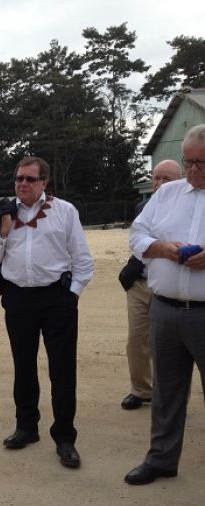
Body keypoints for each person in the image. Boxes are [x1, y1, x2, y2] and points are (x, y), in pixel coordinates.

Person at [0, 156, 93, 469]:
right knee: (23, 366)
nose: (23, 184)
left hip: (57, 299)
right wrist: (2, 230)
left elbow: (82, 260)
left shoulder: (65, 211)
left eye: (30, 179)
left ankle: (65, 436)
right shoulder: (4, 212)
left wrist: (71, 297)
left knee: (62, 370)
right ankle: (26, 427)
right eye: (19, 178)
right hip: (18, 300)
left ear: (44, 182)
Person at [124, 124, 205, 485]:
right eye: (189, 162)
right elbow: (137, 233)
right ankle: (161, 458)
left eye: (201, 164)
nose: (193, 171)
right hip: (165, 308)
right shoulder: (167, 193)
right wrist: (161, 248)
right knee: (166, 392)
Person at [118, 160, 182, 410]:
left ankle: (172, 397)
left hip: (170, 287)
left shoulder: (191, 208)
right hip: (139, 283)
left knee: (170, 346)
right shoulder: (142, 207)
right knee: (136, 340)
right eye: (156, 178)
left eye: (166, 179)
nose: (159, 184)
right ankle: (141, 389)